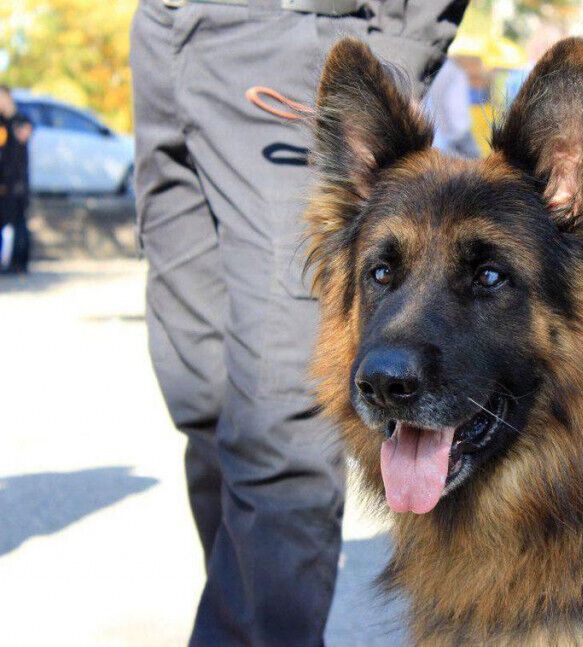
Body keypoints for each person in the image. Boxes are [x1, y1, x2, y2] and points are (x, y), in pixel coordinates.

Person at [129, 1, 467, 644]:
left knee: (278, 423)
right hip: (164, 31)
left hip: (290, 34)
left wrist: (398, 47)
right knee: (203, 394)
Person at [0, 85, 34, 275]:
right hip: (3, 182)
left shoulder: (21, 120)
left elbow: (23, 136)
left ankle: (20, 263)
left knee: (19, 222)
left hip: (18, 183)